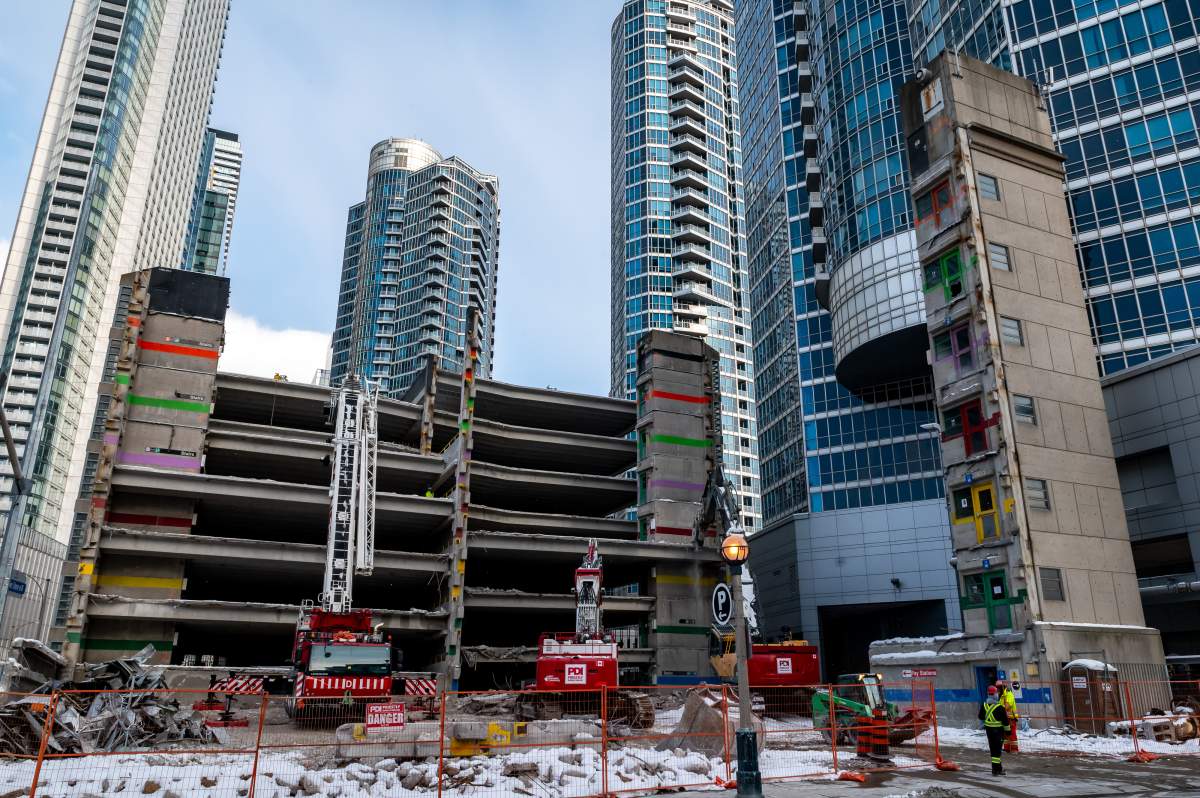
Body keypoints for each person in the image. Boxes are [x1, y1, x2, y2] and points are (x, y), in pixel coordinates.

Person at [979, 685, 1009, 776]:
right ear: (995, 695)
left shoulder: (984, 705)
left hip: (989, 732)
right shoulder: (1000, 707)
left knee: (993, 750)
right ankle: (997, 770)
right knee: (997, 751)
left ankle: (995, 769)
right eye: (997, 693)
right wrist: (1008, 731)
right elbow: (1005, 721)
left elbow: (980, 716)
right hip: (998, 732)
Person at [997, 679, 1019, 752]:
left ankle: (1014, 749)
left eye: (998, 688)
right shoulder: (1002, 696)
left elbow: (1007, 706)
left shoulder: (1008, 695)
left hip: (1011, 718)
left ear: (1002, 687)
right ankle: (1007, 748)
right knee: (1005, 734)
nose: (997, 690)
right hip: (1005, 718)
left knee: (1012, 734)